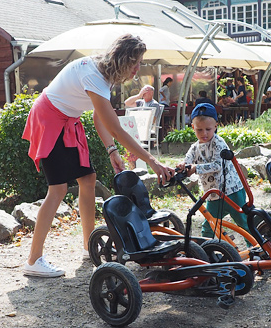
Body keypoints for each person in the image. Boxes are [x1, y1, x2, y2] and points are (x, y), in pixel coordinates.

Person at [21, 34, 174, 278]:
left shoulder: (106, 74)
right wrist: (152, 161)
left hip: (67, 121)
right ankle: (33, 260)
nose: (138, 68)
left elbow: (98, 116)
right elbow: (114, 126)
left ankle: (88, 245)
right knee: (58, 189)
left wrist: (111, 149)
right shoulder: (94, 74)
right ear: (123, 60)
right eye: (135, 63)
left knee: (88, 179)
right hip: (49, 120)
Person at [176, 103, 251, 245]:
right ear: (193, 127)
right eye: (199, 130)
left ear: (216, 126)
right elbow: (188, 161)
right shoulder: (195, 147)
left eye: (208, 129)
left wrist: (195, 168)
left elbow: (217, 165)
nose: (204, 134)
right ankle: (208, 252)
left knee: (244, 223)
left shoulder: (219, 143)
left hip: (232, 192)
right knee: (209, 226)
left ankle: (256, 248)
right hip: (213, 195)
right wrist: (182, 166)